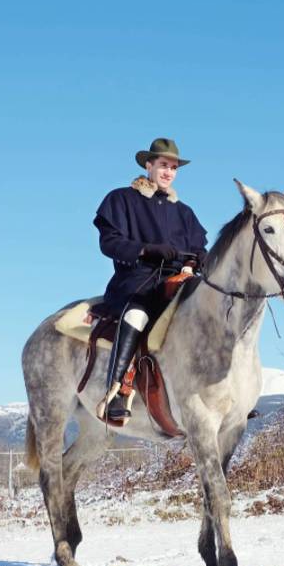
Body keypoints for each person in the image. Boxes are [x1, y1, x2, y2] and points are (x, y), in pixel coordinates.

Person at [93, 138, 208, 422]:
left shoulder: (184, 212)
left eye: (173, 167)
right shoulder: (121, 200)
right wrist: (145, 249)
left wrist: (197, 260)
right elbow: (109, 242)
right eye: (163, 165)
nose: (168, 172)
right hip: (137, 279)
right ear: (149, 165)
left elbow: (198, 247)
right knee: (136, 315)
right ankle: (117, 391)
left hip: (178, 281)